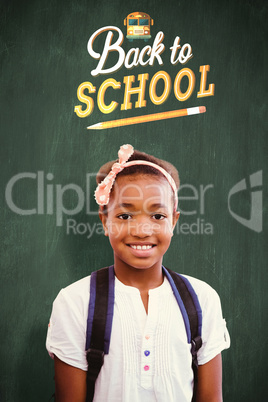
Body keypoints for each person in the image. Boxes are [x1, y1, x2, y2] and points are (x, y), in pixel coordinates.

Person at [46, 144, 230, 402]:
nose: (142, 230)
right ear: (105, 221)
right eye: (124, 215)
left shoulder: (203, 299)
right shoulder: (76, 302)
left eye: (157, 215)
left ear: (174, 221)